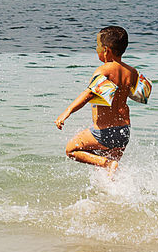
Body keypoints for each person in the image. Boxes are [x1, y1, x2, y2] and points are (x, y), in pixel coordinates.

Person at [55, 25, 149, 174]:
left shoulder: (103, 70)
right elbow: (143, 94)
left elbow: (89, 94)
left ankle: (107, 164)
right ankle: (114, 191)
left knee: (71, 150)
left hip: (104, 132)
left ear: (106, 50)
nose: (96, 49)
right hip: (124, 131)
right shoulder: (132, 72)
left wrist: (66, 112)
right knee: (111, 173)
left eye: (97, 46)